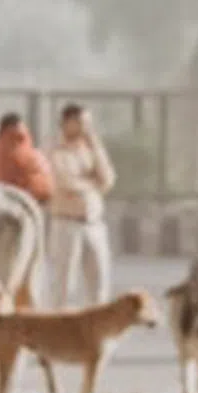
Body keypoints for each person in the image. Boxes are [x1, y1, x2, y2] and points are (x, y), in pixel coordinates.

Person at [46, 102, 117, 307]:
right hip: (66, 224)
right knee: (64, 285)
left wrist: (95, 146)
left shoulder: (90, 148)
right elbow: (63, 181)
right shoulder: (54, 149)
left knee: (99, 283)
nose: (86, 127)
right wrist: (92, 184)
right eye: (80, 122)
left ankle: (97, 334)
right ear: (67, 123)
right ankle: (59, 333)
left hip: (94, 224)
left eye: (87, 123)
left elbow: (108, 179)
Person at [0, 111, 54, 207]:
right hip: (21, 207)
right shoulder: (34, 156)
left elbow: (44, 189)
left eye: (19, 138)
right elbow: (45, 190)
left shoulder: (33, 157)